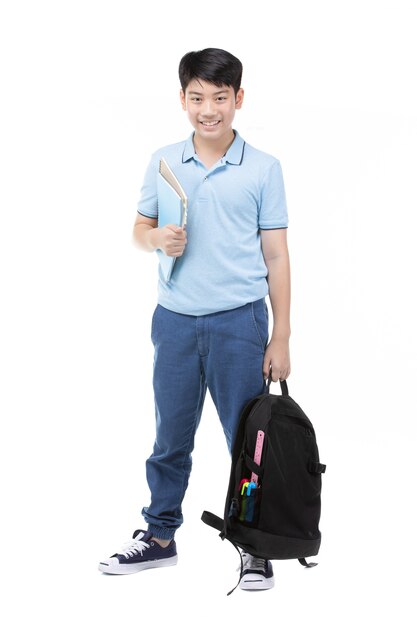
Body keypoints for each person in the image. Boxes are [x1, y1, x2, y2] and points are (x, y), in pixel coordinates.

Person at [99, 48, 291, 591]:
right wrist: (156, 238)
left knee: (247, 442)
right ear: (182, 99)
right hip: (176, 322)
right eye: (197, 97)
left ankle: (254, 546)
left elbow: (276, 256)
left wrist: (282, 333)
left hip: (240, 324)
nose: (209, 109)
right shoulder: (163, 161)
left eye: (220, 97)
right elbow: (139, 231)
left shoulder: (263, 168)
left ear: (239, 100)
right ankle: (160, 538)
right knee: (170, 437)